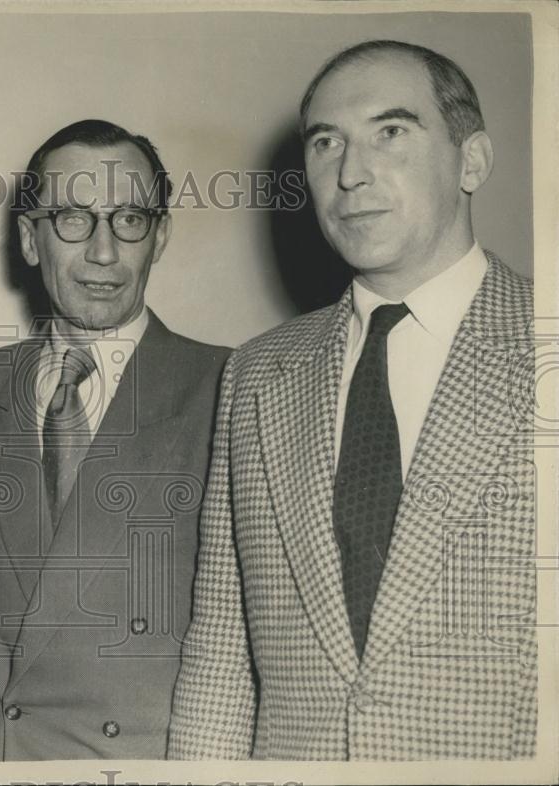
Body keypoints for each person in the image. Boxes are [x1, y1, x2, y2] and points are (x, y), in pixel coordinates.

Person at [169, 39, 536, 760]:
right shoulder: (256, 374)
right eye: (326, 143)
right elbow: (221, 652)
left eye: (390, 132)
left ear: (472, 161)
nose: (350, 173)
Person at [0, 119, 231, 760]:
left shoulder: (233, 387)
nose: (104, 251)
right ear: (30, 239)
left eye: (129, 219)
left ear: (160, 236)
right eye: (73, 219)